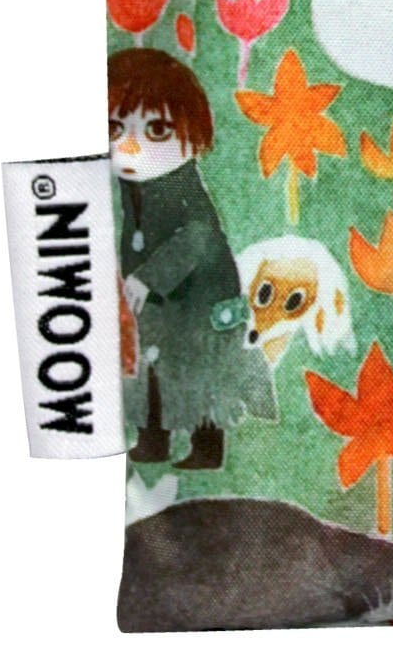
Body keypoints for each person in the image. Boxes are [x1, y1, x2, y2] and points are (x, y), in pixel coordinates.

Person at [108, 46, 274, 469]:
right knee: (153, 368)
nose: (131, 144)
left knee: (201, 374)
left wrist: (148, 278)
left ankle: (206, 450)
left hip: (202, 303)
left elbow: (199, 236)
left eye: (157, 129)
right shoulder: (134, 184)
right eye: (115, 128)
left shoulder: (180, 184)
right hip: (161, 305)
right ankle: (153, 441)